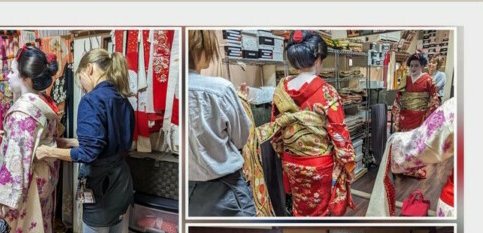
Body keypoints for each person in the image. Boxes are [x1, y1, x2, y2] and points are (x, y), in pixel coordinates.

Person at [240, 30, 356, 217]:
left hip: (291, 162)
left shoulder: (282, 88)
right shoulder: (327, 91)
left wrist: (287, 152)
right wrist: (348, 164)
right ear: (318, 58)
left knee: (299, 207)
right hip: (319, 165)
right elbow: (339, 136)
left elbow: (276, 132)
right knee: (320, 213)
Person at [35, 49, 136, 233]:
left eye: (80, 78)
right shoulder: (122, 98)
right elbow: (106, 142)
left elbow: (89, 153)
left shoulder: (91, 100)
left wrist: (48, 151)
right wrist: (68, 142)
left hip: (102, 187)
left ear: (88, 69)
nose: (82, 87)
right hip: (122, 183)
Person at [0, 45, 64, 233]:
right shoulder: (42, 101)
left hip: (28, 183)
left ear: (26, 79)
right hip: (43, 179)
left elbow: (16, 158)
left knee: (24, 230)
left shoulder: (23, 112)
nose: (8, 76)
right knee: (40, 225)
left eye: (12, 72)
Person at [186, 29, 256, 217]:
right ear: (198, 48)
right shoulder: (220, 89)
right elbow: (241, 138)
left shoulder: (174, 92)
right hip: (226, 189)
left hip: (187, 190)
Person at [367, 97, 458, 216]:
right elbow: (399, 99)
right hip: (407, 115)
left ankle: (411, 170)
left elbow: (424, 142)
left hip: (419, 115)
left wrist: (393, 143)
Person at [393, 51, 441, 132]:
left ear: (422, 66)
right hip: (404, 117)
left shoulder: (428, 80)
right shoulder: (405, 79)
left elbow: (434, 101)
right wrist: (397, 118)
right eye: (411, 66)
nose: (413, 68)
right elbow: (397, 100)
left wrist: (427, 117)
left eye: (416, 65)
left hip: (421, 118)